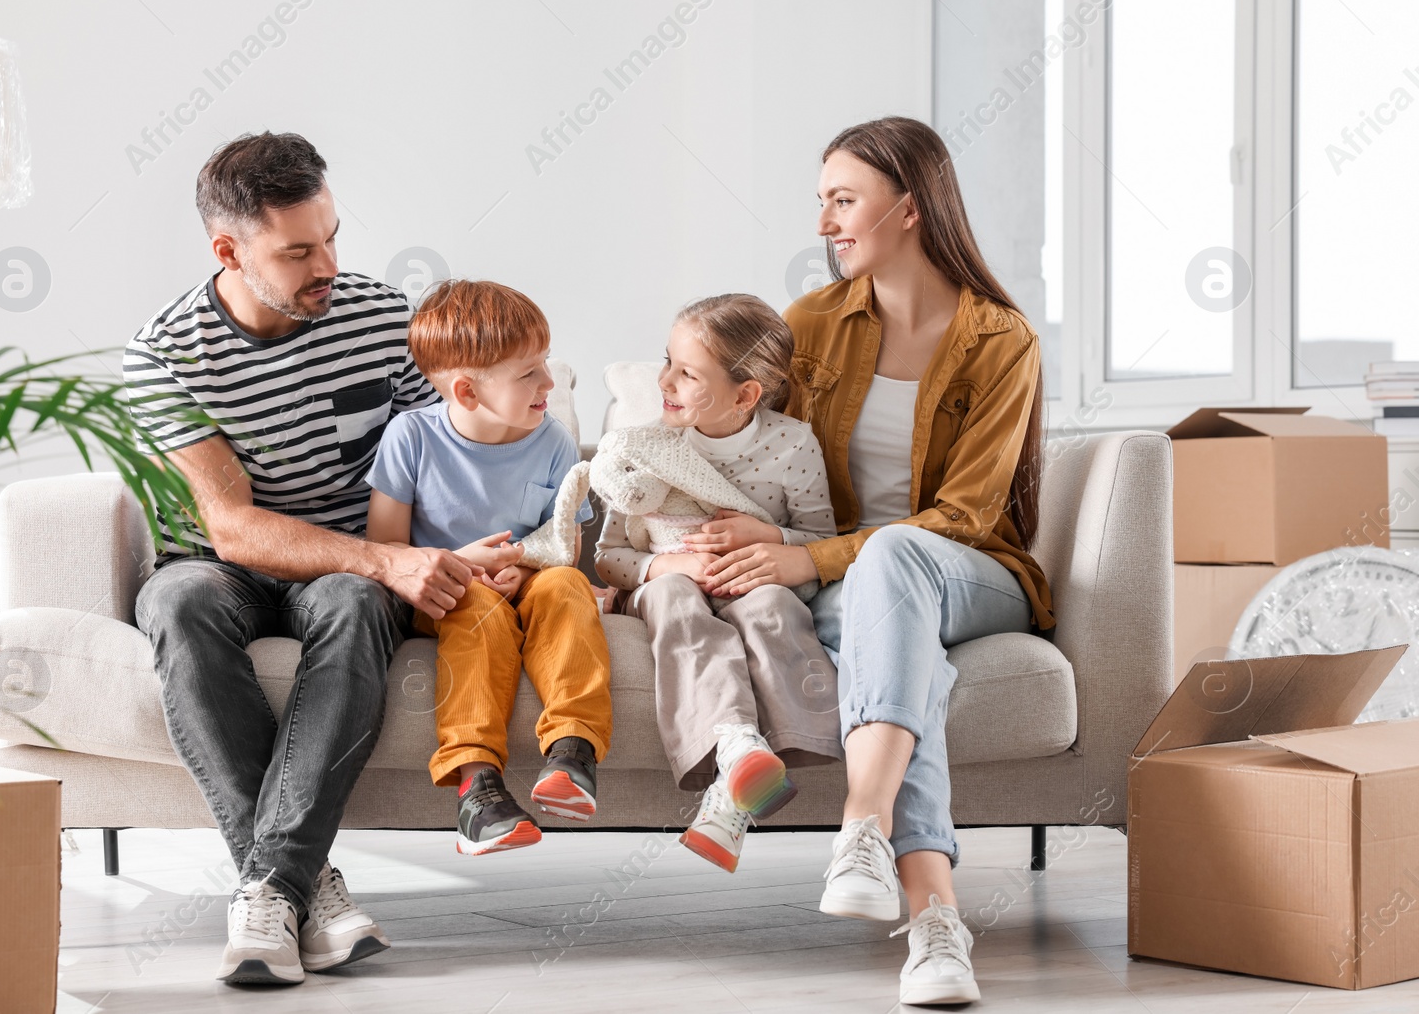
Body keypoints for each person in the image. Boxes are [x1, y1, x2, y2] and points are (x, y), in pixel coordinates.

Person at [700, 117, 1054, 1007]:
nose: (824, 221)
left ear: (909, 205)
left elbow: (969, 515)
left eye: (843, 199)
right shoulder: (810, 325)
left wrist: (804, 554)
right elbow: (740, 437)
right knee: (902, 665)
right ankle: (936, 929)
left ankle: (863, 819)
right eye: (821, 201)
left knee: (896, 554)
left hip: (970, 574)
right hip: (852, 589)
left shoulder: (1000, 339)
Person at [124, 132, 478, 987]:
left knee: (357, 601)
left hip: (345, 568)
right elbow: (235, 528)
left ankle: (267, 892)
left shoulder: (380, 317)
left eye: (331, 237)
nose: (327, 263)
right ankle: (303, 887)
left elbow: (451, 452)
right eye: (297, 251)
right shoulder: (162, 355)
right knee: (176, 603)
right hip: (220, 564)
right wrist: (383, 561)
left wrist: (438, 552)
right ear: (227, 250)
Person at [365, 279, 612, 857]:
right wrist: (458, 566)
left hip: (525, 582)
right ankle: (477, 787)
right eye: (529, 372)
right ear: (467, 391)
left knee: (567, 585)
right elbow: (386, 549)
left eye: (545, 362)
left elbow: (562, 540)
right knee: (472, 605)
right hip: (446, 595)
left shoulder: (554, 440)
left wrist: (526, 570)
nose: (549, 382)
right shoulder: (412, 438)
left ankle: (573, 755)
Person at [593, 294, 839, 873]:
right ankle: (735, 742)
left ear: (745, 395)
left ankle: (733, 796)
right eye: (667, 362)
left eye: (687, 372)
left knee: (772, 607)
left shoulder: (793, 445)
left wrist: (770, 537)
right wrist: (667, 567)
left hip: (755, 583)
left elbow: (824, 541)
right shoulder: (646, 447)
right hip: (669, 584)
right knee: (679, 602)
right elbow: (608, 557)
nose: (665, 380)